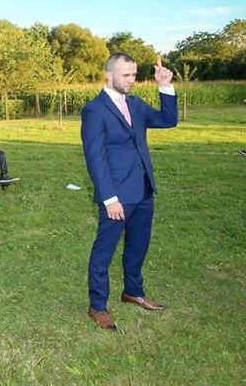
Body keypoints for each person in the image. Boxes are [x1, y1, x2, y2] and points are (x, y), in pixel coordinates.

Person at [81, 53, 177, 330]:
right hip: (117, 195)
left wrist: (165, 87)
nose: (132, 81)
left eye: (134, 75)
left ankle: (133, 292)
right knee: (104, 251)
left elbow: (167, 120)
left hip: (143, 189)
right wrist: (109, 197)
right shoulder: (94, 110)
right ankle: (97, 306)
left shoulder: (135, 104)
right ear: (109, 75)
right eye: (126, 75)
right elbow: (95, 157)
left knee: (138, 245)